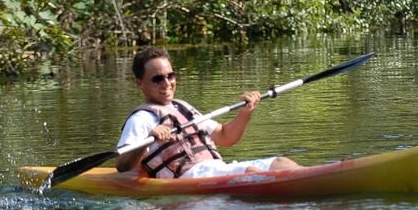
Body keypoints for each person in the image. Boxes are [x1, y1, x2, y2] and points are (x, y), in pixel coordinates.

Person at [115, 47, 302, 178]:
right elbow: (122, 166)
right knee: (252, 173)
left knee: (281, 163)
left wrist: (246, 112)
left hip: (217, 168)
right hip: (190, 176)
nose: (167, 83)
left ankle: (319, 177)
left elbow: (226, 137)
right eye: (157, 79)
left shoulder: (183, 108)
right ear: (140, 83)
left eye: (170, 76)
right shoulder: (141, 119)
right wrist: (147, 140)